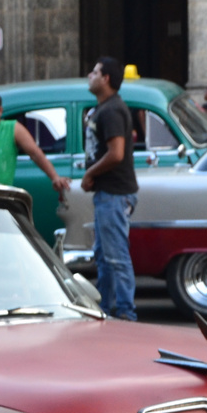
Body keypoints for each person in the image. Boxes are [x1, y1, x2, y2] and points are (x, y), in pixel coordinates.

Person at [81, 57, 140, 321]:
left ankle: (126, 312)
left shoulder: (113, 110)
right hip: (107, 194)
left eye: (94, 72)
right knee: (104, 257)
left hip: (115, 194)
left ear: (106, 79)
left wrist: (90, 173)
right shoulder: (103, 109)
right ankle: (106, 308)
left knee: (116, 257)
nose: (89, 75)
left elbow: (116, 154)